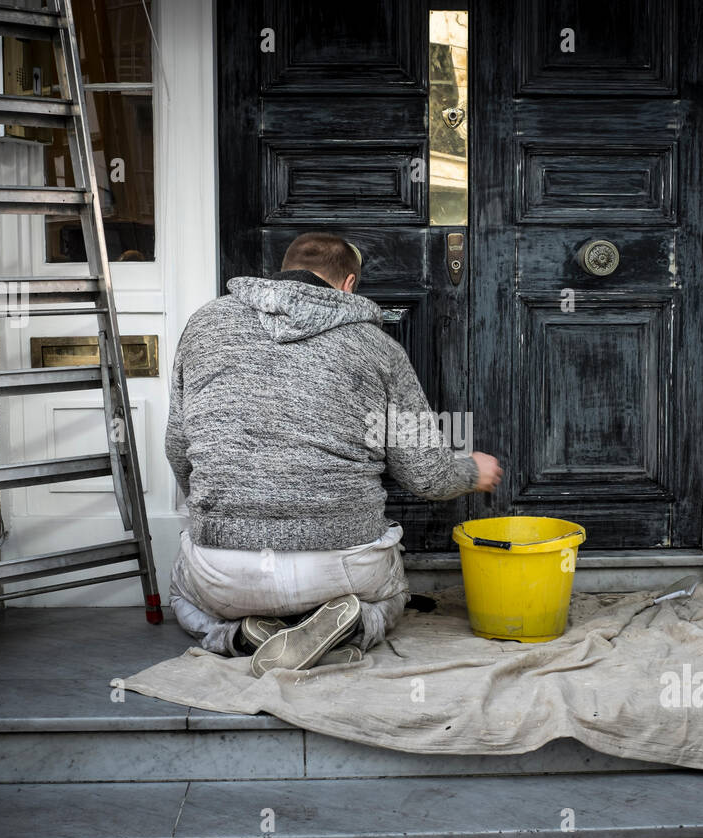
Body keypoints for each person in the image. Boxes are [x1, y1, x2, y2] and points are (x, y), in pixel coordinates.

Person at [165, 232, 502, 676]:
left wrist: (221, 506)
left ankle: (237, 635)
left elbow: (178, 448)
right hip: (342, 566)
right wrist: (470, 471)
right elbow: (425, 475)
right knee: (394, 594)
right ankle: (355, 625)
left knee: (180, 596)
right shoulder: (380, 349)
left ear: (281, 273)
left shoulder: (204, 325)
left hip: (225, 568)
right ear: (347, 285)